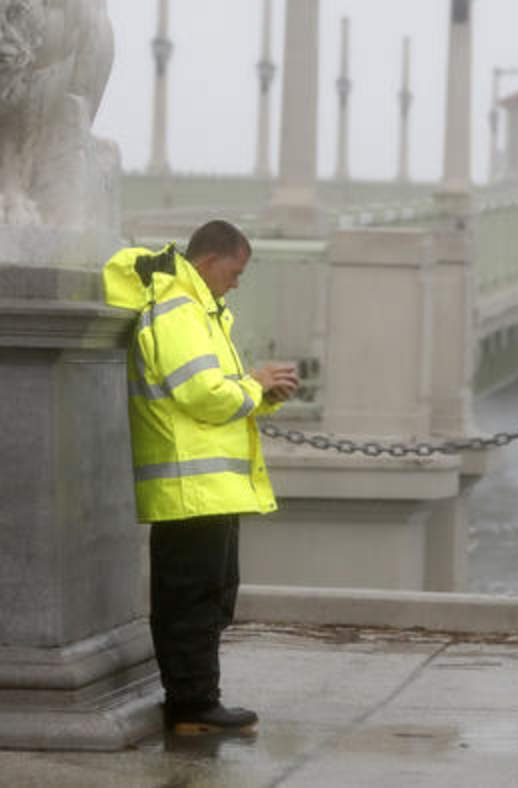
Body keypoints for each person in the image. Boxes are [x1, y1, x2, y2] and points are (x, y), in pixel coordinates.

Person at [103, 219, 299, 735]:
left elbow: (217, 390)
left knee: (212, 594)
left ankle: (198, 700)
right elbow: (202, 395)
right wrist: (255, 383)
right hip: (189, 487)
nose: (236, 283)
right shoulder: (180, 310)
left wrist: (261, 394)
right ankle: (191, 706)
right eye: (235, 271)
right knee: (191, 599)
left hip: (207, 487)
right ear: (210, 261)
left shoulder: (200, 310)